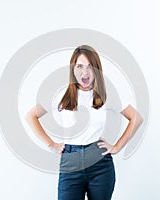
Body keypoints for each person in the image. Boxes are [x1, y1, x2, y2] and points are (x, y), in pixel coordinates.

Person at [25, 45, 143, 200]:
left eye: (90, 67)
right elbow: (31, 116)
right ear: (73, 69)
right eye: (79, 66)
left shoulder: (107, 95)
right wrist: (51, 144)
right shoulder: (60, 94)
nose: (85, 72)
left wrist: (117, 147)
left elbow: (136, 118)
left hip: (100, 165)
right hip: (70, 162)